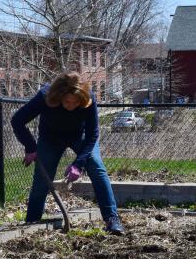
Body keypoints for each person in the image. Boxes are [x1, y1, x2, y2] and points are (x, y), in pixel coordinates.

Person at [11, 72, 124, 234]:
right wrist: (30, 147)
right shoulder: (45, 96)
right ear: (58, 97)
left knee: (97, 169)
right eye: (67, 102)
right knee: (42, 180)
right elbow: (17, 120)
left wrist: (79, 164)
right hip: (51, 138)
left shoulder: (88, 99)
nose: (71, 106)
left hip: (81, 136)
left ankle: (112, 219)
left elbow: (93, 134)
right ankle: (32, 222)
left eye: (75, 103)